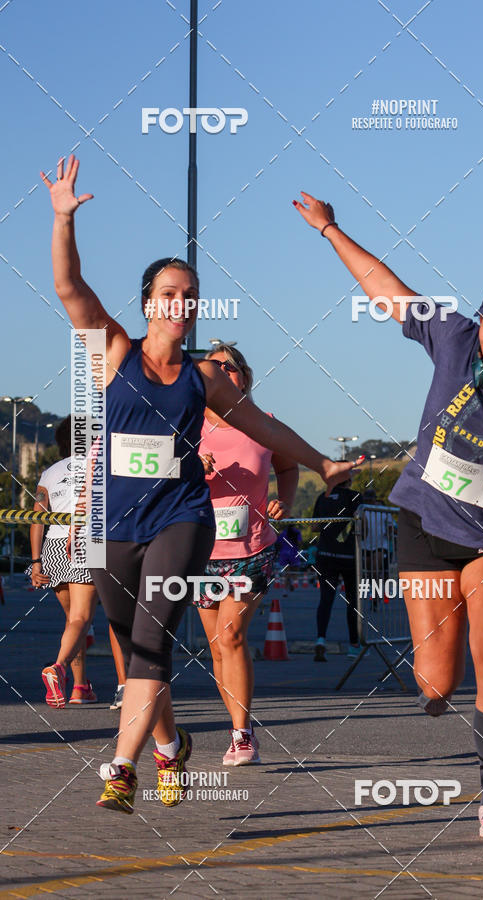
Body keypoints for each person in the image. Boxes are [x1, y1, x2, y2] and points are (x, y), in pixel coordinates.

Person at [42, 156, 359, 814]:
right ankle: (169, 747)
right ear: (148, 303)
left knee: (153, 639)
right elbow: (70, 286)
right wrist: (63, 219)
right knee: (133, 654)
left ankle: (123, 768)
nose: (182, 303)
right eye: (171, 293)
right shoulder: (115, 351)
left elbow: (269, 434)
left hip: (182, 521)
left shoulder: (206, 379)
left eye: (191, 294)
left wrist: (324, 465)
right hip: (112, 524)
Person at [294, 190, 483, 842]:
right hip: (423, 525)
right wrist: (330, 230)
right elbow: (390, 291)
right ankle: (439, 669)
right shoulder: (455, 337)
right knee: (436, 682)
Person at [194, 343, 298, 766]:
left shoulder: (264, 424)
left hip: (252, 547)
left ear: (243, 377)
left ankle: (243, 735)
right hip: (200, 549)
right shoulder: (186, 425)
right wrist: (189, 467)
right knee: (218, 648)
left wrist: (284, 502)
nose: (221, 371)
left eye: (229, 367)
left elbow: (288, 466)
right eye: (212, 367)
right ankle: (236, 726)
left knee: (232, 636)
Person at [28, 416, 98, 707]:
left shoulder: (50, 472)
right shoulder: (100, 466)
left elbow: (36, 518)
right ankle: (57, 667)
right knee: (82, 619)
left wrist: (36, 561)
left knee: (74, 621)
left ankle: (80, 686)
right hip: (85, 542)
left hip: (52, 546)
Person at [312, 477, 363, 661]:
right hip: (349, 555)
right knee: (352, 601)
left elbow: (315, 526)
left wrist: (329, 528)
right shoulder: (356, 496)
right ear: (349, 480)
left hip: (325, 554)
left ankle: (320, 640)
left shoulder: (322, 496)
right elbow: (362, 523)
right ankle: (354, 645)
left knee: (325, 599)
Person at [275, 523, 303, 595]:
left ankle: (285, 590)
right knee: (294, 571)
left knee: (286, 573)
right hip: (293, 553)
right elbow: (299, 542)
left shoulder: (283, 533)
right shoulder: (297, 532)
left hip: (284, 554)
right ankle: (292, 583)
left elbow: (278, 543)